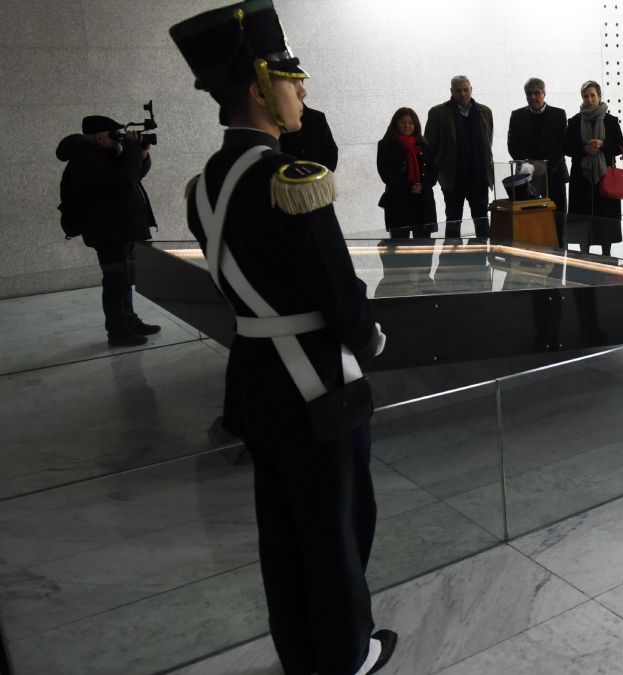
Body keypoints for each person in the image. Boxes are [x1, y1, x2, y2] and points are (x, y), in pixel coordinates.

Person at [169, 3, 397, 673]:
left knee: (283, 530)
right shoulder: (287, 179)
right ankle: (346, 652)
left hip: (255, 377)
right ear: (259, 87)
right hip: (315, 381)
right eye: (292, 80)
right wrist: (372, 339)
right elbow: (337, 288)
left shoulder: (204, 184)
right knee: (337, 525)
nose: (301, 92)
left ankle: (300, 649)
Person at [56, 115, 160, 347]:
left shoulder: (102, 155)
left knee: (124, 280)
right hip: (108, 231)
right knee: (115, 281)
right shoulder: (86, 160)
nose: (118, 141)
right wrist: (132, 152)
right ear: (101, 136)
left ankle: (129, 321)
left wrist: (141, 155)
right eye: (114, 136)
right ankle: (118, 331)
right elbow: (123, 180)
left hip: (119, 228)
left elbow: (132, 177)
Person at [426, 75, 494, 238]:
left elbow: (487, 142)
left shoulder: (484, 111)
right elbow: (430, 145)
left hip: (478, 176)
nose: (463, 94)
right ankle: (451, 260)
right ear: (451, 91)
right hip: (453, 177)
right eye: (458, 90)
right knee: (453, 220)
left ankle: (483, 256)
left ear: (471, 89)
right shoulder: (438, 113)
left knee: (482, 220)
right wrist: (435, 171)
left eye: (465, 89)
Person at [564, 80, 623, 256]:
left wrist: (602, 145)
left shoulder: (610, 121)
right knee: (583, 218)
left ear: (599, 97)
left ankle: (607, 253)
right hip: (581, 178)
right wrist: (584, 148)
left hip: (605, 176)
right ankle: (584, 254)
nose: (589, 99)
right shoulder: (575, 121)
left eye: (593, 95)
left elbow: (621, 147)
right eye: (586, 96)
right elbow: (566, 148)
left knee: (606, 218)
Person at [507, 77, 568, 241]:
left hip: (554, 175)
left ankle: (559, 254)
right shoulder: (517, 115)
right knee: (530, 222)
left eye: (537, 93)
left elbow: (562, 145)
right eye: (529, 94)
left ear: (544, 93)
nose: (533, 97)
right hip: (527, 177)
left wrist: (545, 165)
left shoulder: (559, 114)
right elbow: (512, 145)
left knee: (558, 220)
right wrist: (531, 165)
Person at [377, 107, 437, 238]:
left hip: (422, 202)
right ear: (395, 123)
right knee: (399, 247)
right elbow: (385, 173)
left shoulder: (424, 145)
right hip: (398, 201)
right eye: (402, 122)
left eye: (411, 122)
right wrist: (408, 187)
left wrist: (423, 185)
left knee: (424, 249)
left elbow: (433, 172)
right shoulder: (385, 145)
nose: (407, 125)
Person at [279, 91, 339, 170]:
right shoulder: (280, 121)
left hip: (317, 175)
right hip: (289, 176)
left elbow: (331, 150)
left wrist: (324, 175)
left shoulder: (317, 117)